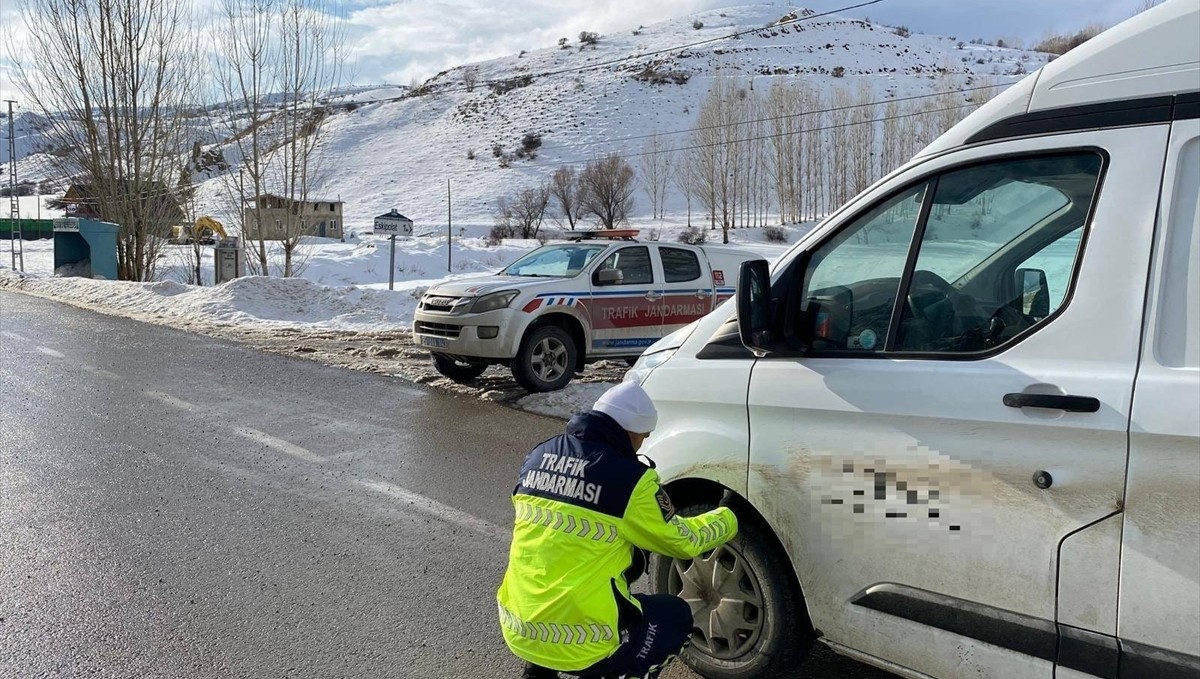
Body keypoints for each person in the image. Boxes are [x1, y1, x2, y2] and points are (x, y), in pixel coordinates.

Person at [497, 382, 739, 679]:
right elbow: (683, 541)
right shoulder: (630, 481)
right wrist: (729, 516)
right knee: (674, 617)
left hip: (518, 623)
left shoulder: (539, 455)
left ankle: (536, 674)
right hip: (583, 639)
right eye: (643, 437)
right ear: (631, 432)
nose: (642, 444)